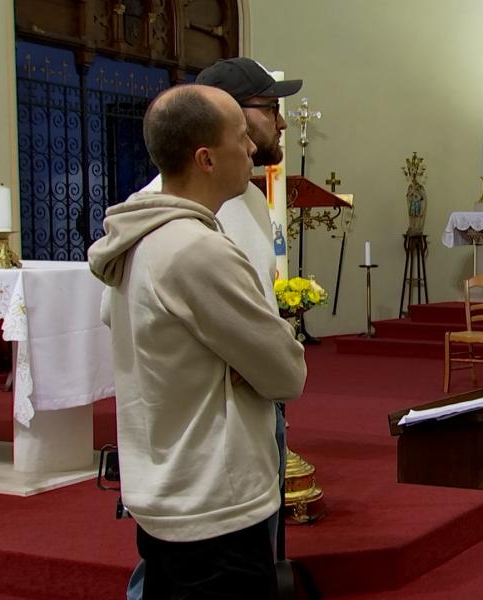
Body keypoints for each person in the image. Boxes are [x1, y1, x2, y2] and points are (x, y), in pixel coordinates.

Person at [88, 84, 307, 599]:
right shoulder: (196, 250)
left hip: (165, 491)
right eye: (239, 138)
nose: (252, 147)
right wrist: (256, 359)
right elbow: (286, 373)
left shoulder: (138, 234)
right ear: (206, 158)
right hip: (215, 506)